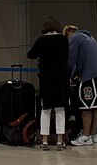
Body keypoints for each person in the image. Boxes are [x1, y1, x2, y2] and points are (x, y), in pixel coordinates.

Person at [63, 24, 97, 146]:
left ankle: (86, 136)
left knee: (86, 107)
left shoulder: (75, 39)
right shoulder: (89, 37)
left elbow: (71, 61)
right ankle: (94, 135)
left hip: (90, 76)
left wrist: (68, 76)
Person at [27, 17, 70, 150]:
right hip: (61, 79)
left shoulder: (42, 40)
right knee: (60, 110)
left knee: (45, 110)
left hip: (46, 79)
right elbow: (67, 57)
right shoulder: (63, 39)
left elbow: (30, 54)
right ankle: (59, 140)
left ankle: (44, 140)